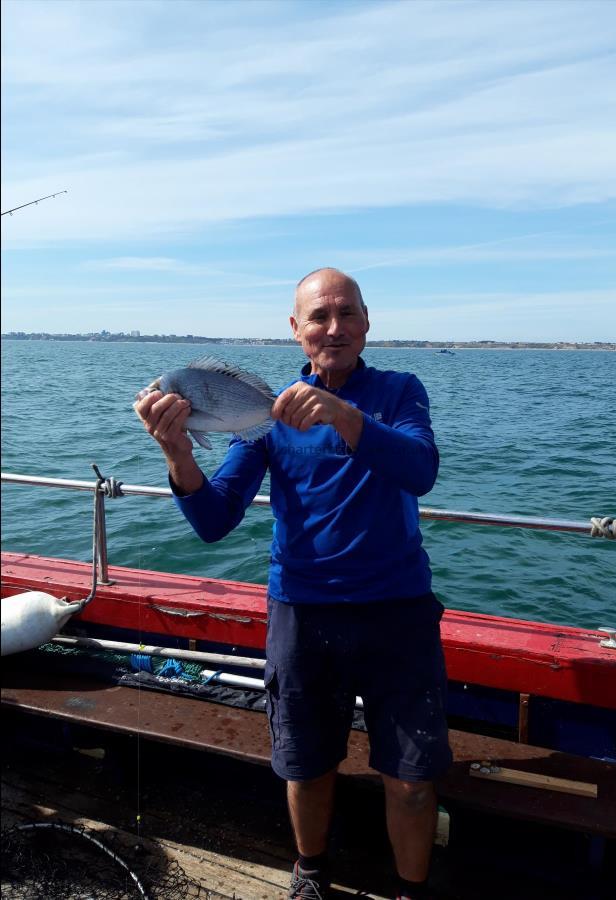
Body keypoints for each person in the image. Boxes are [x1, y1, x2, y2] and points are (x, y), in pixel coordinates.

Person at [134, 268, 452, 900]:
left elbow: (420, 471)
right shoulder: (270, 414)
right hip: (303, 613)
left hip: (398, 613)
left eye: (346, 314)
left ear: (367, 322)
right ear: (296, 330)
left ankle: (412, 891)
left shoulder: (398, 392)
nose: (334, 329)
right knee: (306, 767)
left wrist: (344, 415)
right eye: (319, 317)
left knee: (413, 781)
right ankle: (310, 874)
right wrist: (178, 454)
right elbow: (215, 518)